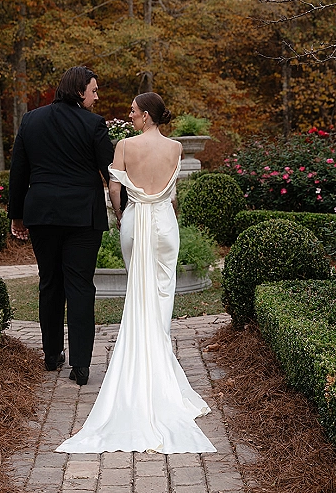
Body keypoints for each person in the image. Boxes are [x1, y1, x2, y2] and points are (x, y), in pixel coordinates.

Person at [56, 92, 216, 454]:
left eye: (132, 110)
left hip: (134, 221)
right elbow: (172, 195)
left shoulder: (124, 146)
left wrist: (120, 214)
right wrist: (164, 213)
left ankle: (146, 361)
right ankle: (159, 359)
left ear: (145, 115)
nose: (128, 115)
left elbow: (114, 187)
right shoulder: (175, 148)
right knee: (162, 290)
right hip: (163, 224)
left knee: (138, 288)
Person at [8, 66, 114, 385]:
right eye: (93, 90)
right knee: (80, 286)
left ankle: (52, 355)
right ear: (79, 90)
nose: (97, 96)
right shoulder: (93, 124)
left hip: (42, 213)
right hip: (83, 215)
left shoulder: (31, 120)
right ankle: (81, 366)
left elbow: (18, 172)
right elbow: (110, 171)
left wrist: (17, 215)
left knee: (49, 283)